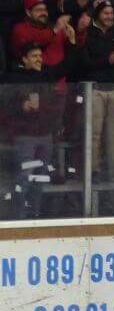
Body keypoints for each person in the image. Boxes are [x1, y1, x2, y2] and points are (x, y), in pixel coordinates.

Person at [82, 0, 114, 195]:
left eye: (111, 13)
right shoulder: (88, 33)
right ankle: (93, 171)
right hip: (95, 90)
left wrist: (112, 59)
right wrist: (108, 59)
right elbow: (85, 62)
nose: (110, 17)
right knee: (94, 134)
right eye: (106, 13)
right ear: (97, 15)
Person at [8, 44, 58, 218]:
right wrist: (22, 106)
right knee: (25, 176)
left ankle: (35, 214)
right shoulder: (14, 79)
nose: (39, 58)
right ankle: (19, 215)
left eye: (40, 55)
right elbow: (7, 105)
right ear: (24, 59)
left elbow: (54, 104)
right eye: (34, 56)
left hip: (45, 134)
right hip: (26, 136)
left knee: (40, 177)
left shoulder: (46, 77)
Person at [10, 0, 73, 81]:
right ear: (28, 12)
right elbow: (35, 43)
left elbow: (72, 50)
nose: (43, 13)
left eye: (45, 9)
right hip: (34, 81)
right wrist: (55, 30)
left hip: (62, 85)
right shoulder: (20, 29)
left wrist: (77, 32)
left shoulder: (53, 28)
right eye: (38, 10)